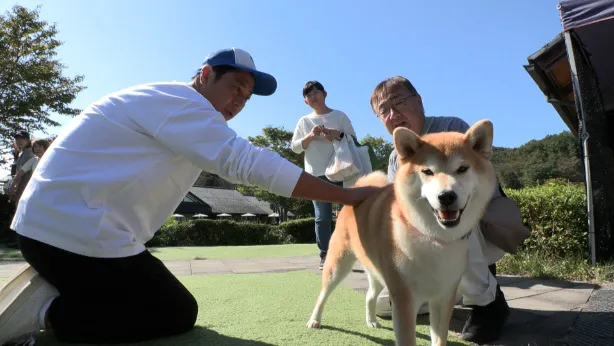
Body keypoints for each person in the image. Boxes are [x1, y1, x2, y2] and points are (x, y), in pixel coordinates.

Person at [0, 48, 381, 346]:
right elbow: (245, 162)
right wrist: (347, 196)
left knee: (166, 303)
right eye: (235, 87)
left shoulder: (172, 106)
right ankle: (46, 313)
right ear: (205, 75)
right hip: (69, 234)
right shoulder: (182, 102)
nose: (239, 101)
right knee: (175, 312)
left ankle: (65, 289)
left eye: (247, 97)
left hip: (64, 229)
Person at [369, 76, 510, 344]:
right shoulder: (395, 158)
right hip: (428, 235)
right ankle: (447, 291)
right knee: (385, 306)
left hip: (477, 221)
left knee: (453, 227)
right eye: (383, 111)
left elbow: (483, 186)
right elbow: (398, 206)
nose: (392, 113)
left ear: (418, 101)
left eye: (398, 102)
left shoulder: (453, 129)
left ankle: (488, 303)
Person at [291, 81, 358, 269]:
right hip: (315, 175)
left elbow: (354, 139)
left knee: (348, 213)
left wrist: (337, 134)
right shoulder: (304, 121)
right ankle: (325, 254)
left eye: (316, 92)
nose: (313, 96)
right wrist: (311, 136)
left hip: (342, 170)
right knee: (322, 217)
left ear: (325, 94)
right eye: (308, 94)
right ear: (305, 101)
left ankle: (348, 251)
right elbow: (295, 147)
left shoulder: (339, 116)